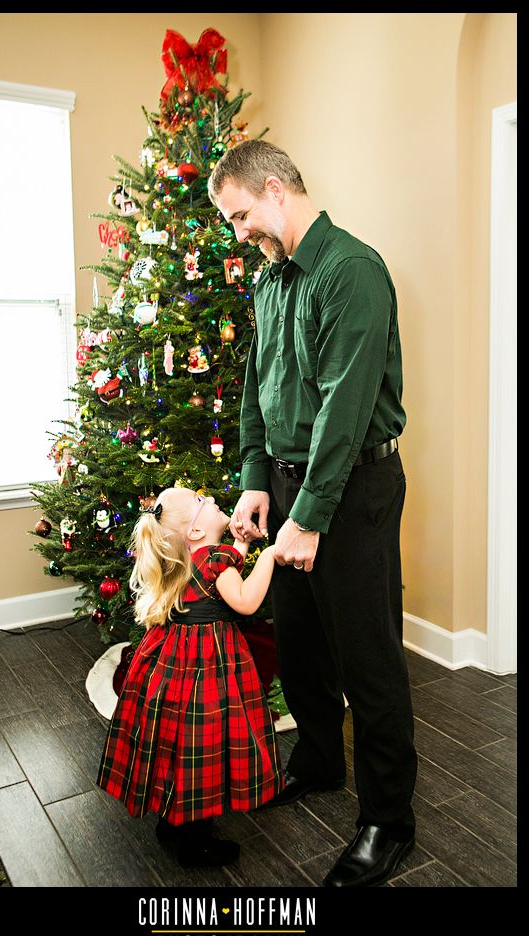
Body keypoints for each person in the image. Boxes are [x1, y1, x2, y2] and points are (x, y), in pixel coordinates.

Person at [208, 140, 418, 888]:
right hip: (294, 487)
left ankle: (388, 822)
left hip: (352, 488)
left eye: (239, 215)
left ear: (273, 190)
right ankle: (319, 762)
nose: (237, 233)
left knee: (367, 657)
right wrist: (255, 479)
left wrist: (309, 515)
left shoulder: (349, 271)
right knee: (297, 642)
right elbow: (256, 387)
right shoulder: (271, 282)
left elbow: (344, 408)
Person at [97, 486, 283, 868]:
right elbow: (244, 600)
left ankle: (172, 820)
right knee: (203, 747)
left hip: (170, 662)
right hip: (209, 665)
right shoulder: (214, 562)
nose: (210, 499)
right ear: (196, 531)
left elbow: (222, 579)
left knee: (175, 744)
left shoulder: (184, 561)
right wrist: (271, 557)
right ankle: (197, 844)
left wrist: (239, 544)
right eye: (201, 502)